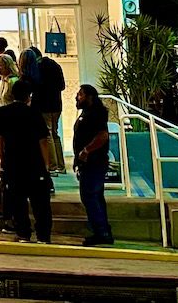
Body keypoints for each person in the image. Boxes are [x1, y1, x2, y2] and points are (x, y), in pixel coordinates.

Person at [0, 79, 52, 243]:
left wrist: (2, 157)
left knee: (18, 200)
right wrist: (46, 164)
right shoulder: (34, 113)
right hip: (34, 162)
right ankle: (43, 235)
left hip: (13, 161)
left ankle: (23, 232)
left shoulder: (3, 112)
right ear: (28, 96)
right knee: (40, 202)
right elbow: (43, 140)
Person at [73, 84, 113, 246]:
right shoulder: (87, 113)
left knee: (90, 195)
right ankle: (103, 230)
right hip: (88, 163)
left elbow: (103, 135)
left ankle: (101, 232)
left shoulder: (95, 114)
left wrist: (86, 151)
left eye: (80, 95)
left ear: (89, 97)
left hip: (94, 162)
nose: (77, 97)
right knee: (95, 196)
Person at [35, 49, 67, 174]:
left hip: (44, 105)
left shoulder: (38, 67)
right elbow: (62, 86)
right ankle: (61, 165)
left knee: (47, 134)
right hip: (57, 104)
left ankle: (52, 165)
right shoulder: (55, 65)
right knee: (55, 134)